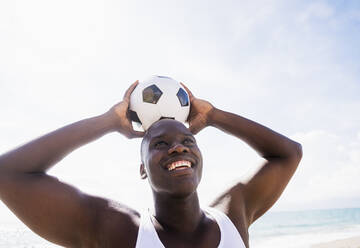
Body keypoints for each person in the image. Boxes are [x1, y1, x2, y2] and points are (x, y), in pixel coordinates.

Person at [0, 81, 302, 248]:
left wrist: (214, 116)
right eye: (159, 144)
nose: (178, 146)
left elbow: (289, 153)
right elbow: (8, 173)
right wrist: (107, 122)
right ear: (143, 169)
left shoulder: (232, 215)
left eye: (188, 141)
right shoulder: (117, 230)